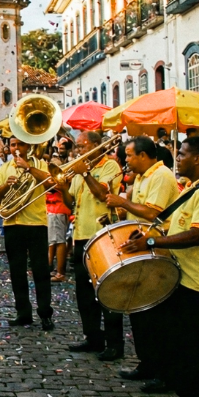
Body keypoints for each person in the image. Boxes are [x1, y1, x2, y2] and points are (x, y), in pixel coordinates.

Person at [122, 136, 199, 397]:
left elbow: (196, 235)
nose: (177, 158)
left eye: (182, 154)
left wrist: (153, 241)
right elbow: (177, 226)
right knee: (184, 347)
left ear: (197, 158)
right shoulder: (193, 189)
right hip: (183, 279)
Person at [104, 137, 181, 389]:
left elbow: (153, 213)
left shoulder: (161, 176)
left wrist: (123, 202)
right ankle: (146, 363)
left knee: (156, 314)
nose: (126, 160)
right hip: (141, 246)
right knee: (140, 311)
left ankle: (164, 371)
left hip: (157, 249)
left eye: (129, 155)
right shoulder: (140, 177)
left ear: (145, 155)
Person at [56, 131, 124, 361]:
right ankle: (92, 336)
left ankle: (115, 343)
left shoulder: (110, 166)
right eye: (78, 147)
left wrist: (84, 172)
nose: (79, 151)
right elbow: (70, 202)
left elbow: (101, 193)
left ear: (96, 146)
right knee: (84, 293)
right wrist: (63, 187)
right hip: (81, 236)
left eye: (83, 146)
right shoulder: (78, 170)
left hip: (103, 236)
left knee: (108, 290)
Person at [0, 136, 54, 330]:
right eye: (13, 145)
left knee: (41, 271)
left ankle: (45, 313)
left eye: (20, 144)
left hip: (36, 223)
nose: (16, 148)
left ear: (28, 146)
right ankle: (23, 312)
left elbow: (51, 184)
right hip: (12, 223)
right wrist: (6, 186)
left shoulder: (40, 164)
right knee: (17, 272)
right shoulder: (3, 169)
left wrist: (28, 168)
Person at [45, 186, 70, 283]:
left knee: (59, 242)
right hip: (53, 208)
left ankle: (60, 273)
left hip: (57, 209)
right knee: (53, 241)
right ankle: (52, 268)